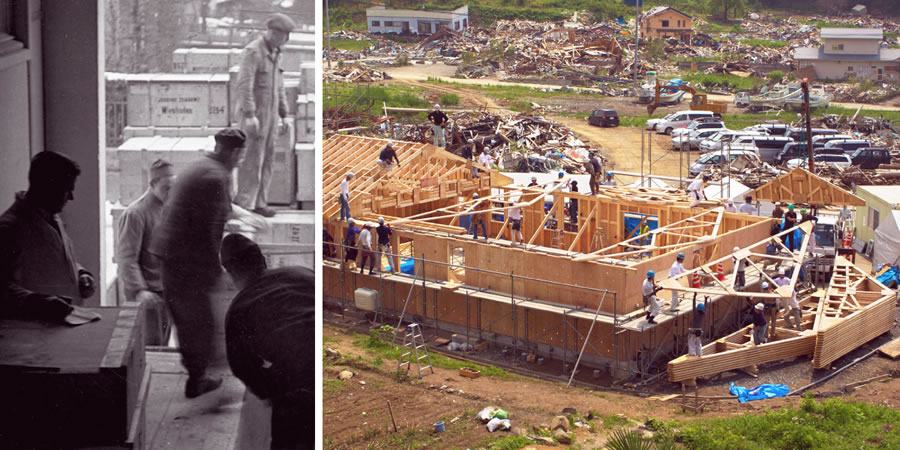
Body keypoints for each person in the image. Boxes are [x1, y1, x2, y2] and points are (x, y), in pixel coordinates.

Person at [150, 128, 248, 398]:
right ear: (235, 152)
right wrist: (216, 270)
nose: (240, 160)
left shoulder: (198, 166)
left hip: (169, 254)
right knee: (200, 320)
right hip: (186, 259)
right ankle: (199, 379)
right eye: (240, 155)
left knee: (188, 318)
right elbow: (210, 230)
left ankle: (197, 374)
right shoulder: (217, 177)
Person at [220, 234, 314, 450]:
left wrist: (274, 390)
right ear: (263, 260)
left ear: (230, 273)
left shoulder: (239, 308)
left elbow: (244, 369)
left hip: (298, 382)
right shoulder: (301, 272)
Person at [0, 151, 95, 321]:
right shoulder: (9, 229)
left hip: (63, 322)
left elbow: (56, 258)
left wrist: (81, 274)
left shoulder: (52, 217)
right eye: (67, 190)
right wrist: (37, 303)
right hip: (31, 327)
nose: (71, 197)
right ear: (49, 187)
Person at [235, 13, 296, 218]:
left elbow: (279, 87)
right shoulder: (253, 52)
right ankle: (245, 204)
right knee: (251, 161)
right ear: (273, 33)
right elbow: (244, 85)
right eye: (284, 35)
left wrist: (284, 114)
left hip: (271, 116)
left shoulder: (276, 53)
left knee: (267, 160)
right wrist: (249, 114)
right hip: (254, 116)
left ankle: (260, 203)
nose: (286, 40)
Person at [116, 159, 175, 345]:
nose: (171, 193)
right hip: (146, 294)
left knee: (162, 344)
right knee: (148, 347)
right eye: (166, 188)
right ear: (153, 184)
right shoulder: (135, 214)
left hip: (166, 291)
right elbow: (126, 259)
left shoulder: (169, 209)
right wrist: (140, 290)